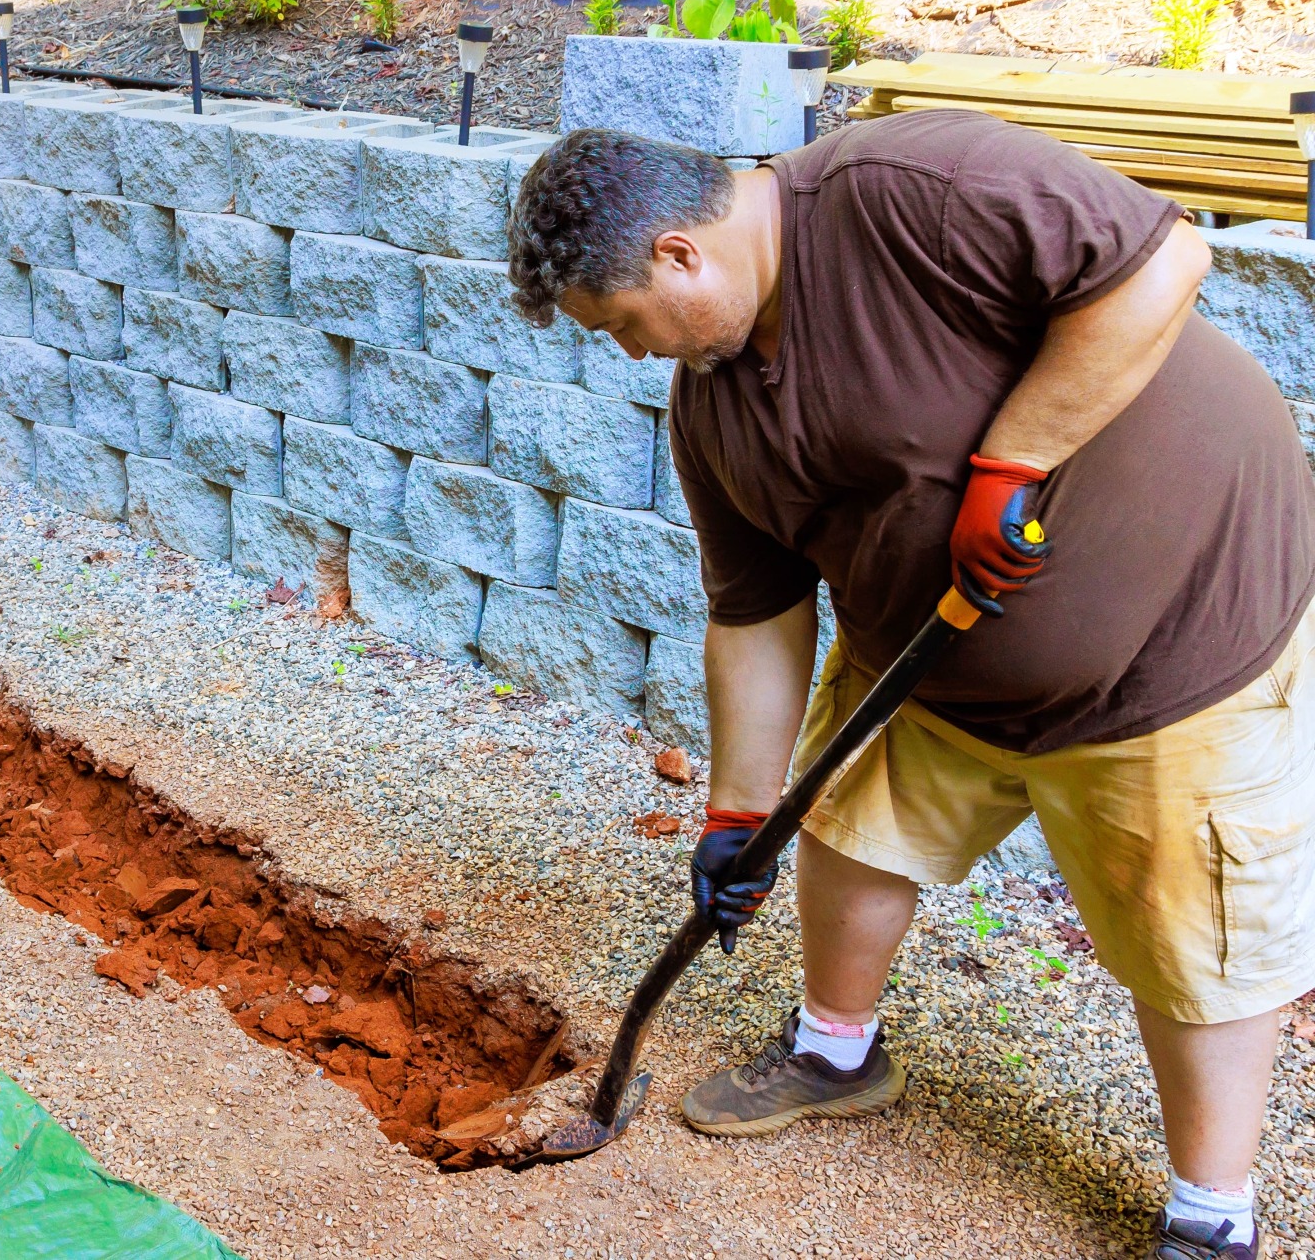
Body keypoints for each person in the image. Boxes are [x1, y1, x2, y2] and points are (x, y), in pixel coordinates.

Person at [505, 109, 1315, 1260]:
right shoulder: (712, 403)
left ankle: (1209, 1211)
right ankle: (836, 1051)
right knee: (847, 828)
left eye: (620, 323)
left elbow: (1164, 259)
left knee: (1191, 936)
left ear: (677, 254)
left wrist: (1010, 461)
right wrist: (737, 814)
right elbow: (754, 614)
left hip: (1181, 646)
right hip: (924, 664)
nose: (631, 354)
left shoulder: (911, 187)